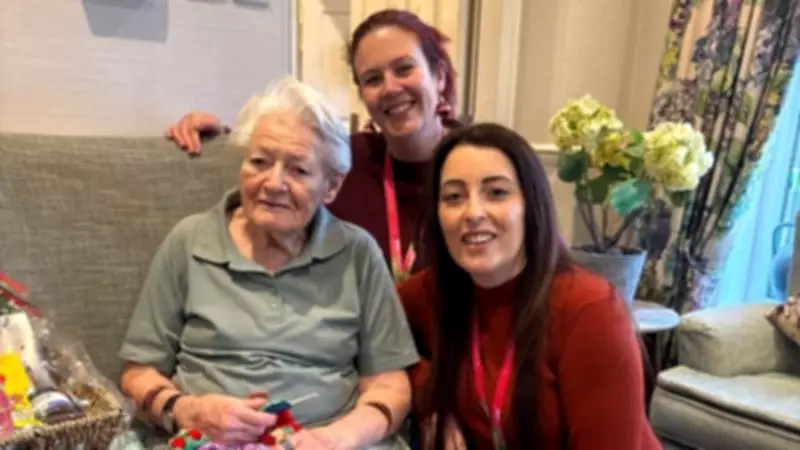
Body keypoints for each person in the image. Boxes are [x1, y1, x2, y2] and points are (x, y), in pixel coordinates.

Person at [118, 77, 419, 450]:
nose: (273, 183)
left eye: (299, 170)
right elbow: (138, 372)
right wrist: (188, 409)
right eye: (260, 162)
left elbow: (390, 383)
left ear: (331, 187)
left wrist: (337, 438)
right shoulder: (190, 241)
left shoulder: (356, 252)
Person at [399, 123, 661, 450]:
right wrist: (432, 396)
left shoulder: (590, 310)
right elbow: (373, 343)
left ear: (530, 204)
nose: (473, 212)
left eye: (496, 192)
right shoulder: (429, 294)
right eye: (453, 197)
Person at [164, 9, 462, 281]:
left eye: (404, 69)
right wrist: (222, 135)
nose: (390, 88)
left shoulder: (476, 164)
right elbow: (287, 159)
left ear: (438, 76)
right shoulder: (347, 160)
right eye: (373, 79)